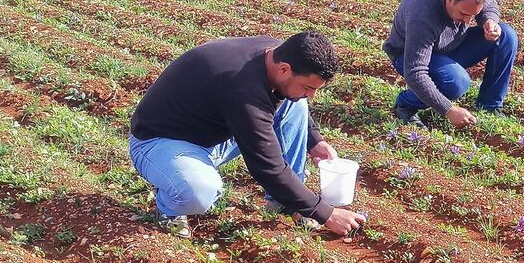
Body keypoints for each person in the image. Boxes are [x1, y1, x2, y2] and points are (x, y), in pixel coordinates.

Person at [128, 31, 365, 237]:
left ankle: (286, 202)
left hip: (213, 130)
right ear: (284, 69)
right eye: (309, 87)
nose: (313, 95)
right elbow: (268, 167)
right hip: (159, 142)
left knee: (295, 102)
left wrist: (314, 140)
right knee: (199, 191)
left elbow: (290, 100)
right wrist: (327, 213)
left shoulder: (277, 54)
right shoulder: (242, 89)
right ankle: (170, 208)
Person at [384, 0, 519, 128]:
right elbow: (415, 72)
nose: (468, 21)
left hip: (450, 45)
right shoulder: (422, 15)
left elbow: (489, 4)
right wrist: (448, 110)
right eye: (463, 14)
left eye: (472, 15)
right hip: (407, 55)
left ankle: (490, 106)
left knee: (506, 35)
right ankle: (405, 104)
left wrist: (490, 21)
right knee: (456, 82)